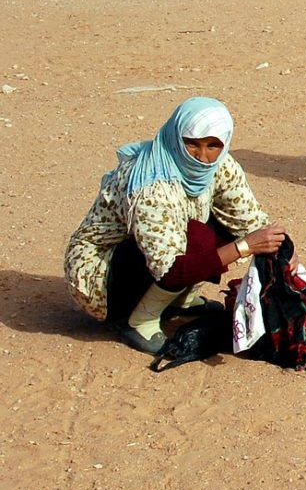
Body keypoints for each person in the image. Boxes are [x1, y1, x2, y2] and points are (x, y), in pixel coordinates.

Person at [64, 97, 287, 354]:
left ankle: (179, 301)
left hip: (161, 250)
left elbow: (248, 219)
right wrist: (245, 246)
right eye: (191, 144)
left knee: (220, 227)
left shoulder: (220, 165)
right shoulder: (151, 185)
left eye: (213, 145)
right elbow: (170, 268)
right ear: (175, 137)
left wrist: (285, 255)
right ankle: (140, 321)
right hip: (102, 277)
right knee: (199, 239)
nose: (202, 156)